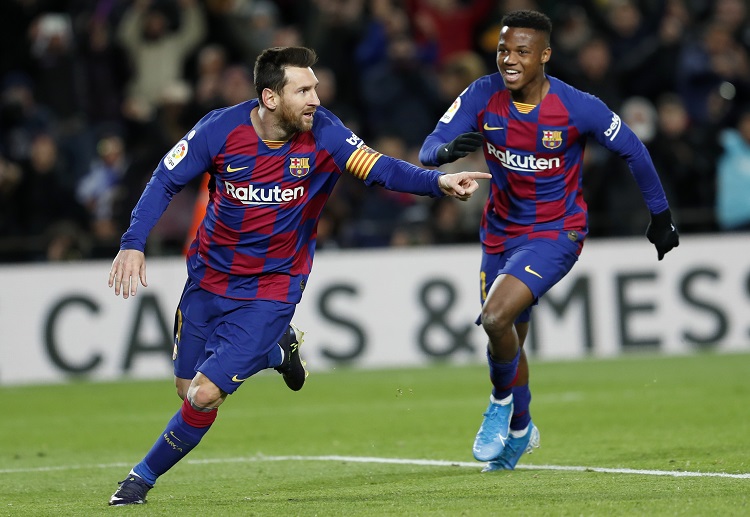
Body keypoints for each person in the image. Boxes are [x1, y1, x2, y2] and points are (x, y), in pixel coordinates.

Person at [107, 46, 490, 505]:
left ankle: (139, 480)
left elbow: (379, 167)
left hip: (272, 286)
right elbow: (165, 179)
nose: (315, 99)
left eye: (316, 88)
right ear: (270, 97)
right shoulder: (219, 129)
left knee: (204, 395)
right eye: (303, 90)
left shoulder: (325, 132)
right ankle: (276, 351)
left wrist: (437, 182)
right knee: (186, 389)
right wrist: (133, 242)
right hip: (208, 279)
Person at [419, 10, 679, 472]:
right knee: (507, 338)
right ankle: (521, 429)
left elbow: (634, 150)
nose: (509, 59)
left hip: (556, 232)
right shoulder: (482, 93)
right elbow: (429, 146)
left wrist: (660, 217)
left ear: (545, 55)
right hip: (499, 233)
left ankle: (500, 405)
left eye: (522, 51)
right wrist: (445, 152)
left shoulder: (578, 106)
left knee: (494, 318)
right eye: (503, 50)